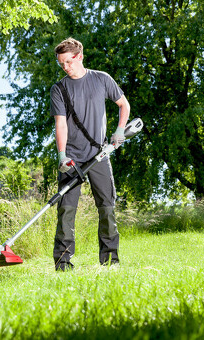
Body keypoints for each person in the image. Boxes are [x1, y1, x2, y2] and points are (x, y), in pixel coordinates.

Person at [50, 37, 130, 271]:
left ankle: (110, 261)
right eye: (61, 64)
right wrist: (62, 155)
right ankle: (63, 263)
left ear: (79, 56)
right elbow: (61, 124)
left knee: (107, 206)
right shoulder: (59, 89)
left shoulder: (101, 79)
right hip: (72, 159)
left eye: (68, 62)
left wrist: (119, 130)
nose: (65, 67)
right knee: (66, 209)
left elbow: (123, 105)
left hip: (99, 155)